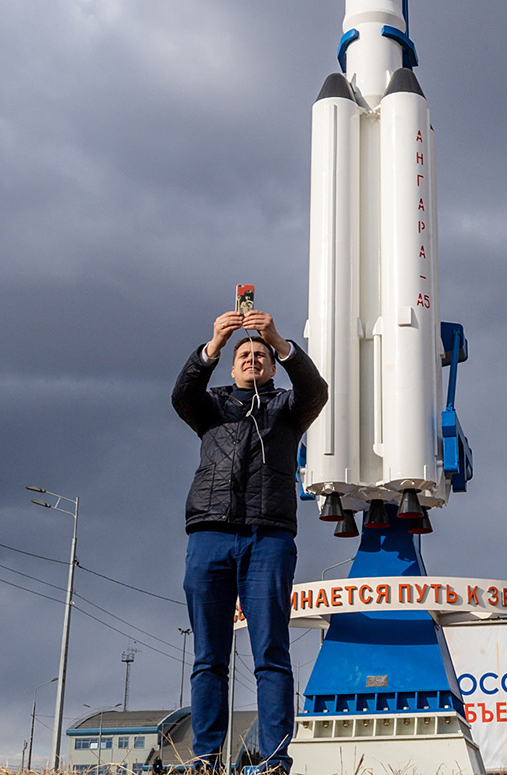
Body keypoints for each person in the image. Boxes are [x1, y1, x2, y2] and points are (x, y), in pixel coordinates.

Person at [172, 308, 328, 773]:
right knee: (209, 657)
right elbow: (182, 395)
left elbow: (316, 391)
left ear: (273, 366)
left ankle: (275, 760)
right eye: (245, 353)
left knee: (271, 653)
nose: (253, 358)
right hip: (209, 535)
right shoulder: (212, 406)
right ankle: (205, 759)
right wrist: (213, 344)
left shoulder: (286, 410)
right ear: (231, 364)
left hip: (269, 539)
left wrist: (277, 337)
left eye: (261, 354)